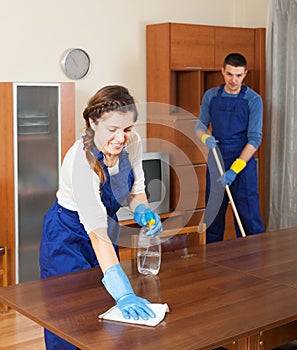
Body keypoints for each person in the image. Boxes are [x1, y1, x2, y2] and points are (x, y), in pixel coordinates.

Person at [39, 85, 163, 349]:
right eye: (112, 130)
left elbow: (136, 190)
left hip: (106, 227)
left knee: (106, 310)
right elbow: (96, 235)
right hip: (67, 235)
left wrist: (142, 208)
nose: (121, 138)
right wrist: (125, 292)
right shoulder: (79, 160)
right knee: (70, 315)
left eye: (127, 129)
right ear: (93, 124)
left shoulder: (133, 142)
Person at [195, 53, 264, 243]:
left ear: (245, 74)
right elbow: (200, 126)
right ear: (222, 72)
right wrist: (205, 138)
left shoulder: (253, 100)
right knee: (213, 219)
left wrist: (234, 170)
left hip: (243, 165)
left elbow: (254, 140)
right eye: (230, 74)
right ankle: (213, 265)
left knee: (249, 219)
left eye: (239, 75)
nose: (234, 80)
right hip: (217, 160)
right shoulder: (211, 96)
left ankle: (254, 264)